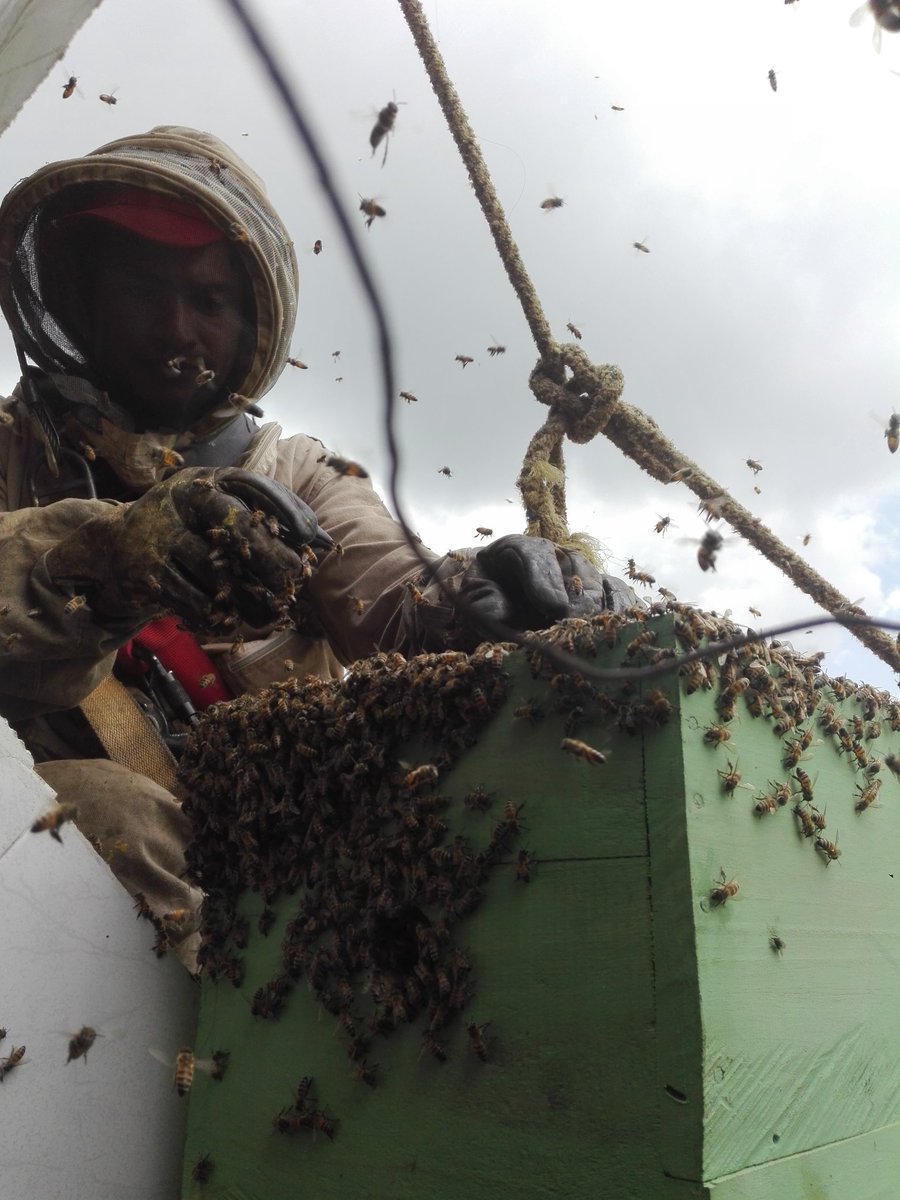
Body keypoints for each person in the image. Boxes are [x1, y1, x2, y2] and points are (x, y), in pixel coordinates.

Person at [0, 126, 634, 962]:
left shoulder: (297, 474)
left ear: (250, 323)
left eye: (209, 299)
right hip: (79, 927)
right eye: (140, 288)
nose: (175, 327)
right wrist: (105, 558)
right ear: (84, 297)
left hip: (307, 875)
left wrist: (496, 594)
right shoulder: (10, 458)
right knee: (89, 810)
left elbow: (399, 602)